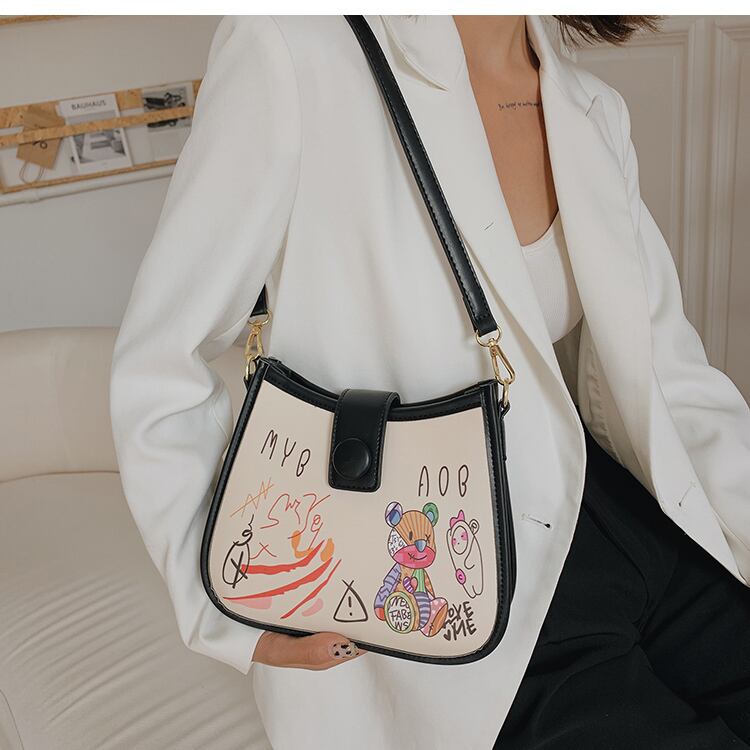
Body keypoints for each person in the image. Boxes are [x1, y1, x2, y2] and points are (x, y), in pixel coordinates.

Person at [110, 15, 750, 749]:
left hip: (620, 521)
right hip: (449, 597)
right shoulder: (295, 50)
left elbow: (674, 378)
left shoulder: (591, 108)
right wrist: (226, 608)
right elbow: (161, 361)